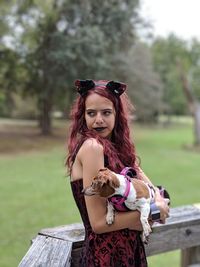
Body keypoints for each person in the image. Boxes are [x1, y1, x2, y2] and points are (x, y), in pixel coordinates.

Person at [66, 79, 169, 267]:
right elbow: (98, 223)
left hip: (131, 250)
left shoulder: (118, 149)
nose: (98, 119)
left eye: (106, 112)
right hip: (106, 257)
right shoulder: (92, 148)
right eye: (91, 113)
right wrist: (152, 213)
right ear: (83, 116)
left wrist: (158, 200)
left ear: (117, 115)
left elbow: (144, 180)